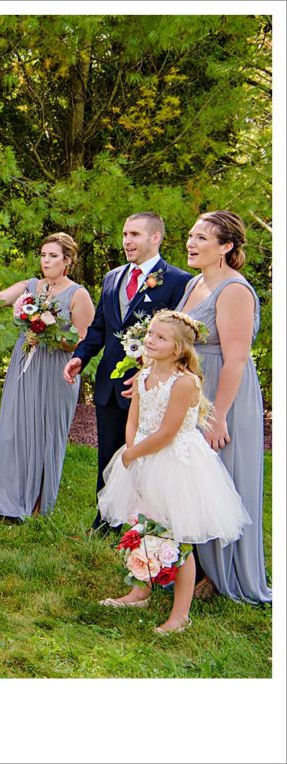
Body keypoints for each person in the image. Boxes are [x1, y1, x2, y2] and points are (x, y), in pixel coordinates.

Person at [95, 311, 250, 633]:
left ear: (179, 349)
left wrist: (136, 452)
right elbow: (134, 419)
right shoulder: (143, 375)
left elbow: (167, 432)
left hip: (173, 462)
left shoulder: (184, 383)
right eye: (150, 333)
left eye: (160, 337)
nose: (150, 340)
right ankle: (140, 590)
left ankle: (180, 615)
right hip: (140, 456)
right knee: (142, 526)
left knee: (176, 539)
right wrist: (130, 450)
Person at [63, 212, 191, 534]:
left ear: (155, 238)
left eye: (134, 234)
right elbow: (100, 328)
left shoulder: (178, 282)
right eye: (124, 234)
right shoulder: (112, 277)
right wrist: (80, 357)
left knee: (149, 457)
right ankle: (106, 519)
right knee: (109, 453)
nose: (127, 241)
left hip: (153, 386)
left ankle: (145, 525)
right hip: (110, 381)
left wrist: (150, 372)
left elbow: (182, 341)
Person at [176, 211, 271, 605]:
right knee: (191, 480)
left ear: (226, 247)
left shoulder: (234, 290)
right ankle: (192, 565)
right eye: (191, 235)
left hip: (223, 394)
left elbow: (235, 359)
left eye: (202, 238)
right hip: (194, 388)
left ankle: (224, 572)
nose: (191, 243)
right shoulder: (196, 282)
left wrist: (217, 417)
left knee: (222, 478)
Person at [0, 233, 94, 521]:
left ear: (67, 261)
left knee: (47, 431)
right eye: (43, 255)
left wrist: (46, 330)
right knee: (16, 428)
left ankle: (38, 502)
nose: (46, 260)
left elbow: (83, 341)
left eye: (53, 256)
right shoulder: (32, 286)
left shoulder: (78, 294)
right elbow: (4, 297)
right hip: (25, 362)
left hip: (56, 370)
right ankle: (6, 495)